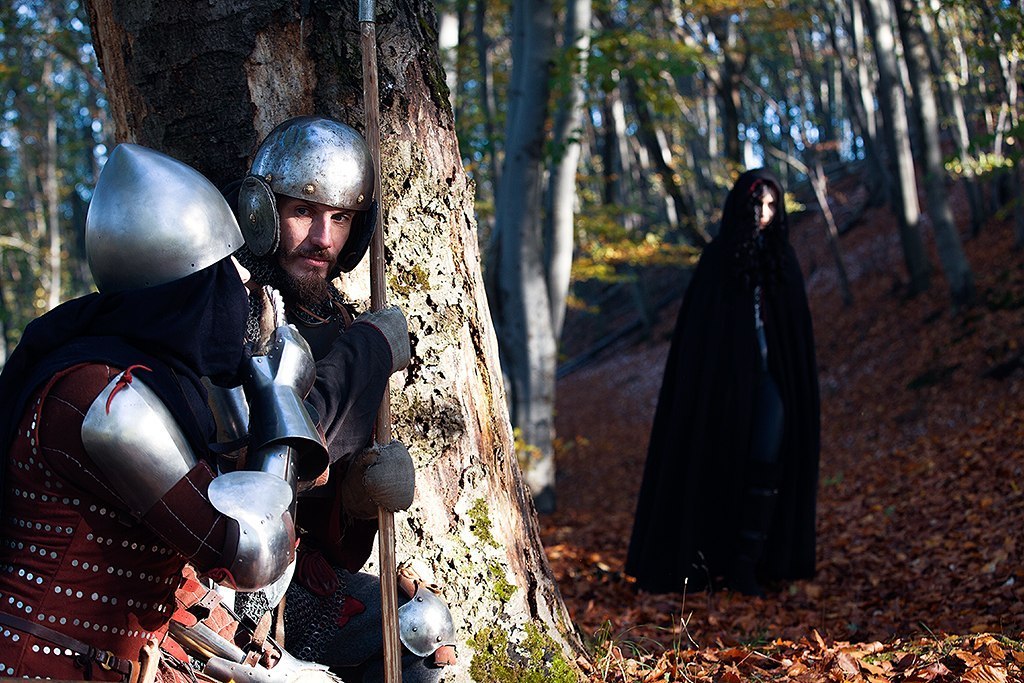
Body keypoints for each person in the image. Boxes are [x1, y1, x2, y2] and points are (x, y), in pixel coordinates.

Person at [0, 144, 340, 680]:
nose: (245, 283)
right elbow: (252, 555)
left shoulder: (145, 376)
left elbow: (227, 479)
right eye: (224, 268)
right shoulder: (111, 403)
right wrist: (281, 391)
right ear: (185, 290)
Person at [225, 115, 456, 682]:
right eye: (302, 211)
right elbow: (283, 450)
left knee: (419, 639)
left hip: (304, 581)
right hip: (228, 587)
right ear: (262, 211)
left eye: (342, 217)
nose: (323, 238)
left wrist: (355, 503)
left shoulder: (343, 322)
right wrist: (371, 352)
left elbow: (336, 544)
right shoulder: (235, 311)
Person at [626, 168, 821, 597]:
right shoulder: (717, 261)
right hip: (723, 389)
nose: (764, 213)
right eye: (756, 204)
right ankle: (706, 561)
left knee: (766, 458)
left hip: (773, 383)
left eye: (772, 205)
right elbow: (699, 337)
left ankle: (746, 564)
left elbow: (795, 335)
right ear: (740, 204)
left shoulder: (783, 261)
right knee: (718, 460)